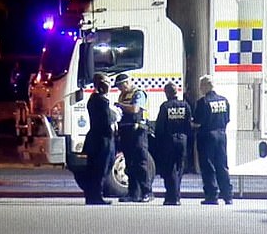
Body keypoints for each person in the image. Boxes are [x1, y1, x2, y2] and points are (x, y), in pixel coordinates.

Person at [193, 74, 233, 205]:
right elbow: (227, 119)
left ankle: (212, 195)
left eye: (201, 86)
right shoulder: (224, 100)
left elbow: (197, 122)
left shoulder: (202, 102)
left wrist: (191, 125)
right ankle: (228, 195)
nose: (200, 89)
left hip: (207, 136)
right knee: (222, 165)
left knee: (208, 166)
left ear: (205, 86)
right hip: (221, 135)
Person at [114, 73, 153, 202]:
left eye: (121, 86)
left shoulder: (138, 93)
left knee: (141, 163)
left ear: (127, 83)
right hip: (126, 132)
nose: (120, 89)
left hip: (138, 132)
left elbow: (135, 109)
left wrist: (120, 106)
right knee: (129, 164)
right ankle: (133, 193)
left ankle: (147, 192)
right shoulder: (123, 95)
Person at [81, 72, 118, 205]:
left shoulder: (95, 99)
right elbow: (107, 120)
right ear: (102, 85)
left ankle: (92, 196)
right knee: (100, 168)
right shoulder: (101, 101)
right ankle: (95, 196)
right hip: (102, 139)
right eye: (107, 83)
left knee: (97, 168)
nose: (110, 86)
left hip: (97, 138)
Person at [155, 82, 192, 205]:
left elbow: (160, 126)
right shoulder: (185, 106)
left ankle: (172, 196)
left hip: (168, 140)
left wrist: (158, 141)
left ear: (167, 93)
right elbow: (189, 125)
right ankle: (177, 195)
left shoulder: (165, 106)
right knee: (180, 168)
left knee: (169, 168)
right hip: (182, 140)